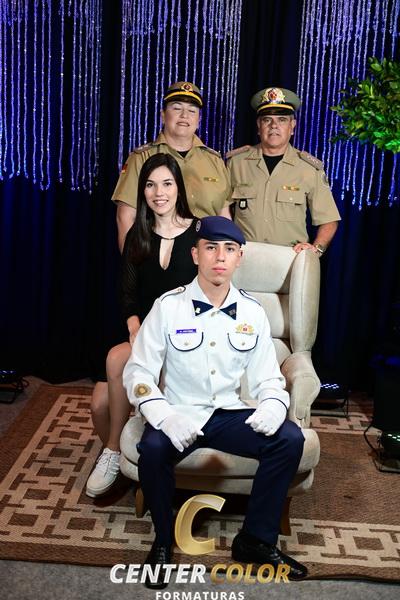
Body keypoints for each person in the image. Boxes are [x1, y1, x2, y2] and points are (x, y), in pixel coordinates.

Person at [123, 215, 307, 589]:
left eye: (229, 249)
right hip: (179, 412)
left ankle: (255, 540)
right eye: (211, 248)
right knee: (152, 449)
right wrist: (163, 415)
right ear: (195, 254)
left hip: (227, 413)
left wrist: (274, 403)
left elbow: (268, 378)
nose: (220, 257)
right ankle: (163, 540)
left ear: (240, 257)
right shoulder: (167, 306)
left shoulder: (252, 312)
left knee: (289, 439)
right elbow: (138, 374)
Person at [86, 154, 198, 498]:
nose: (158, 193)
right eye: (150, 185)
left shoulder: (199, 232)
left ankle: (137, 454)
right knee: (108, 379)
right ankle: (114, 451)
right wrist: (135, 327)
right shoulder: (139, 233)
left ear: (178, 188)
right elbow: (128, 293)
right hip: (147, 333)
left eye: (166, 183)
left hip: (187, 338)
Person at [221, 86, 340, 256]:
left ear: (292, 126)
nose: (274, 126)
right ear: (258, 126)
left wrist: (316, 249)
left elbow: (329, 219)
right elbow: (222, 208)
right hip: (243, 257)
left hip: (289, 259)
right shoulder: (237, 163)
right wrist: (227, 242)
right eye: (267, 120)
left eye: (282, 120)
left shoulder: (308, 169)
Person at [112, 81, 230, 252]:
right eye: (176, 108)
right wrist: (131, 261)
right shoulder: (141, 158)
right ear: (163, 115)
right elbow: (125, 216)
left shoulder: (215, 161)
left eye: (192, 111)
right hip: (157, 254)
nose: (184, 115)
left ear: (199, 119)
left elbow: (224, 216)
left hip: (207, 254)